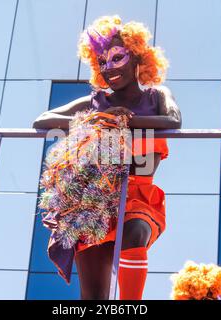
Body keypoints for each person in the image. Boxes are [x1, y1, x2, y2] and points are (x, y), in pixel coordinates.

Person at [33, 15, 182, 300]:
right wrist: (99, 118)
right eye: (102, 62)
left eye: (117, 57)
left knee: (135, 231)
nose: (109, 67)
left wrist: (124, 123)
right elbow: (42, 121)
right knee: (94, 298)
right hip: (95, 200)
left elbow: (172, 122)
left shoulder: (157, 96)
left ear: (137, 58)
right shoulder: (96, 103)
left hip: (138, 194)